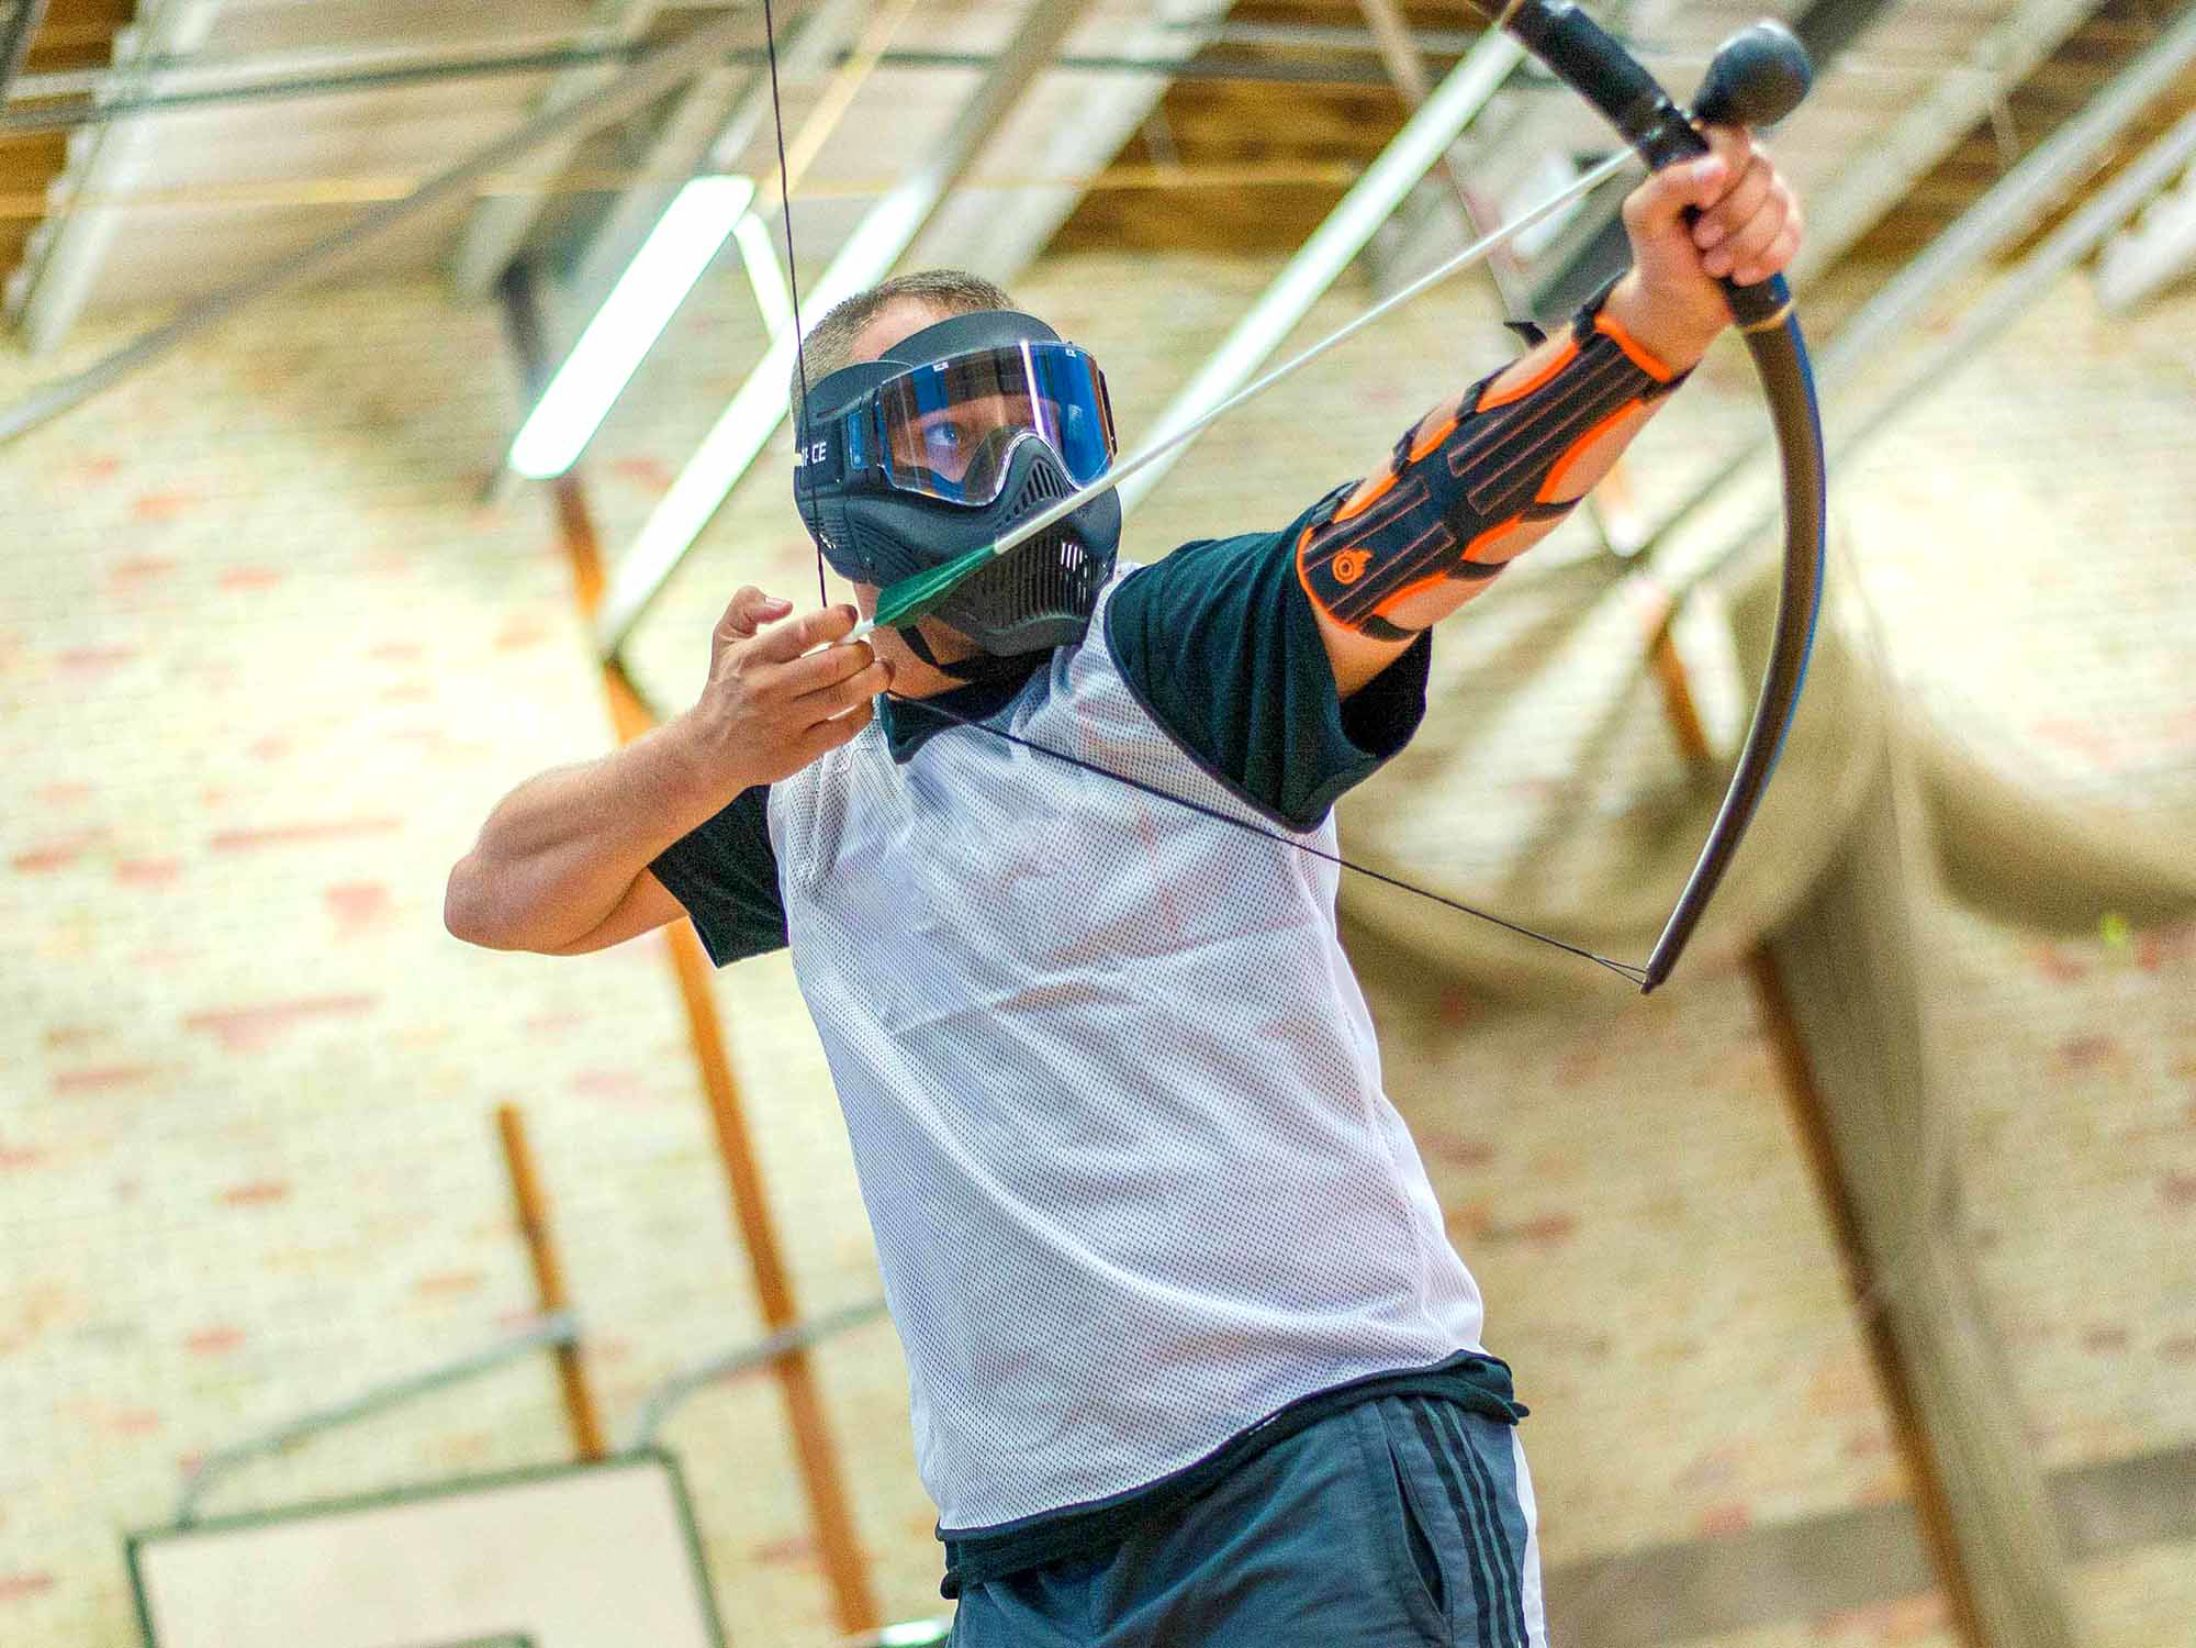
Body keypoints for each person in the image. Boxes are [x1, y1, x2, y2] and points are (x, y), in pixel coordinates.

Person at [448, 127, 1802, 1647]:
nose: (1025, 473)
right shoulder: (803, 785)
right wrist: (706, 750)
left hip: (1312, 1459)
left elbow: (1421, 521)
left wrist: (1655, 321)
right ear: (844, 491)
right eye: (956, 436)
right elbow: (498, 896)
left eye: (1046, 422)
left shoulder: (1167, 655)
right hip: (1027, 1552)